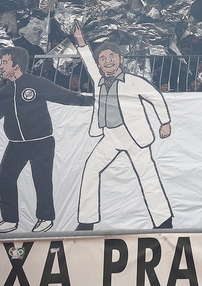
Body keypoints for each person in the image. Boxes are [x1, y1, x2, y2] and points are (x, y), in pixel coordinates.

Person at [73, 26, 173, 231]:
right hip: (109, 135)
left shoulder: (133, 81)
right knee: (91, 169)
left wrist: (165, 122)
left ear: (120, 59)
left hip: (133, 136)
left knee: (148, 175)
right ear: (99, 64)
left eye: (111, 56)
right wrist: (81, 41)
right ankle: (86, 221)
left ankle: (164, 221)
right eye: (102, 58)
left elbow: (156, 97)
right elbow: (88, 62)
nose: (107, 60)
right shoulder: (99, 81)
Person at [0, 46, 93, 233]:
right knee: (4, 179)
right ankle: (10, 219)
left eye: (4, 62)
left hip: (41, 141)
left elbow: (63, 95)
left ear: (16, 65)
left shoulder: (35, 83)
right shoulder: (5, 91)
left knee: (41, 181)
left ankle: (45, 218)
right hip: (16, 144)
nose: (0, 66)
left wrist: (91, 101)